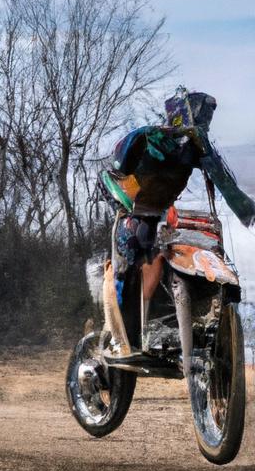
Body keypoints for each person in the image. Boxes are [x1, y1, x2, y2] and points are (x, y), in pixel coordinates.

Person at [97, 87, 255, 355]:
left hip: (160, 212)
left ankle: (175, 322)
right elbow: (112, 172)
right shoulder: (146, 138)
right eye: (201, 114)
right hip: (131, 207)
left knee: (187, 244)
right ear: (181, 114)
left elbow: (226, 185)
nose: (205, 122)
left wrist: (249, 213)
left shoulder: (199, 148)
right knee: (136, 240)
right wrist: (127, 205)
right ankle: (123, 336)